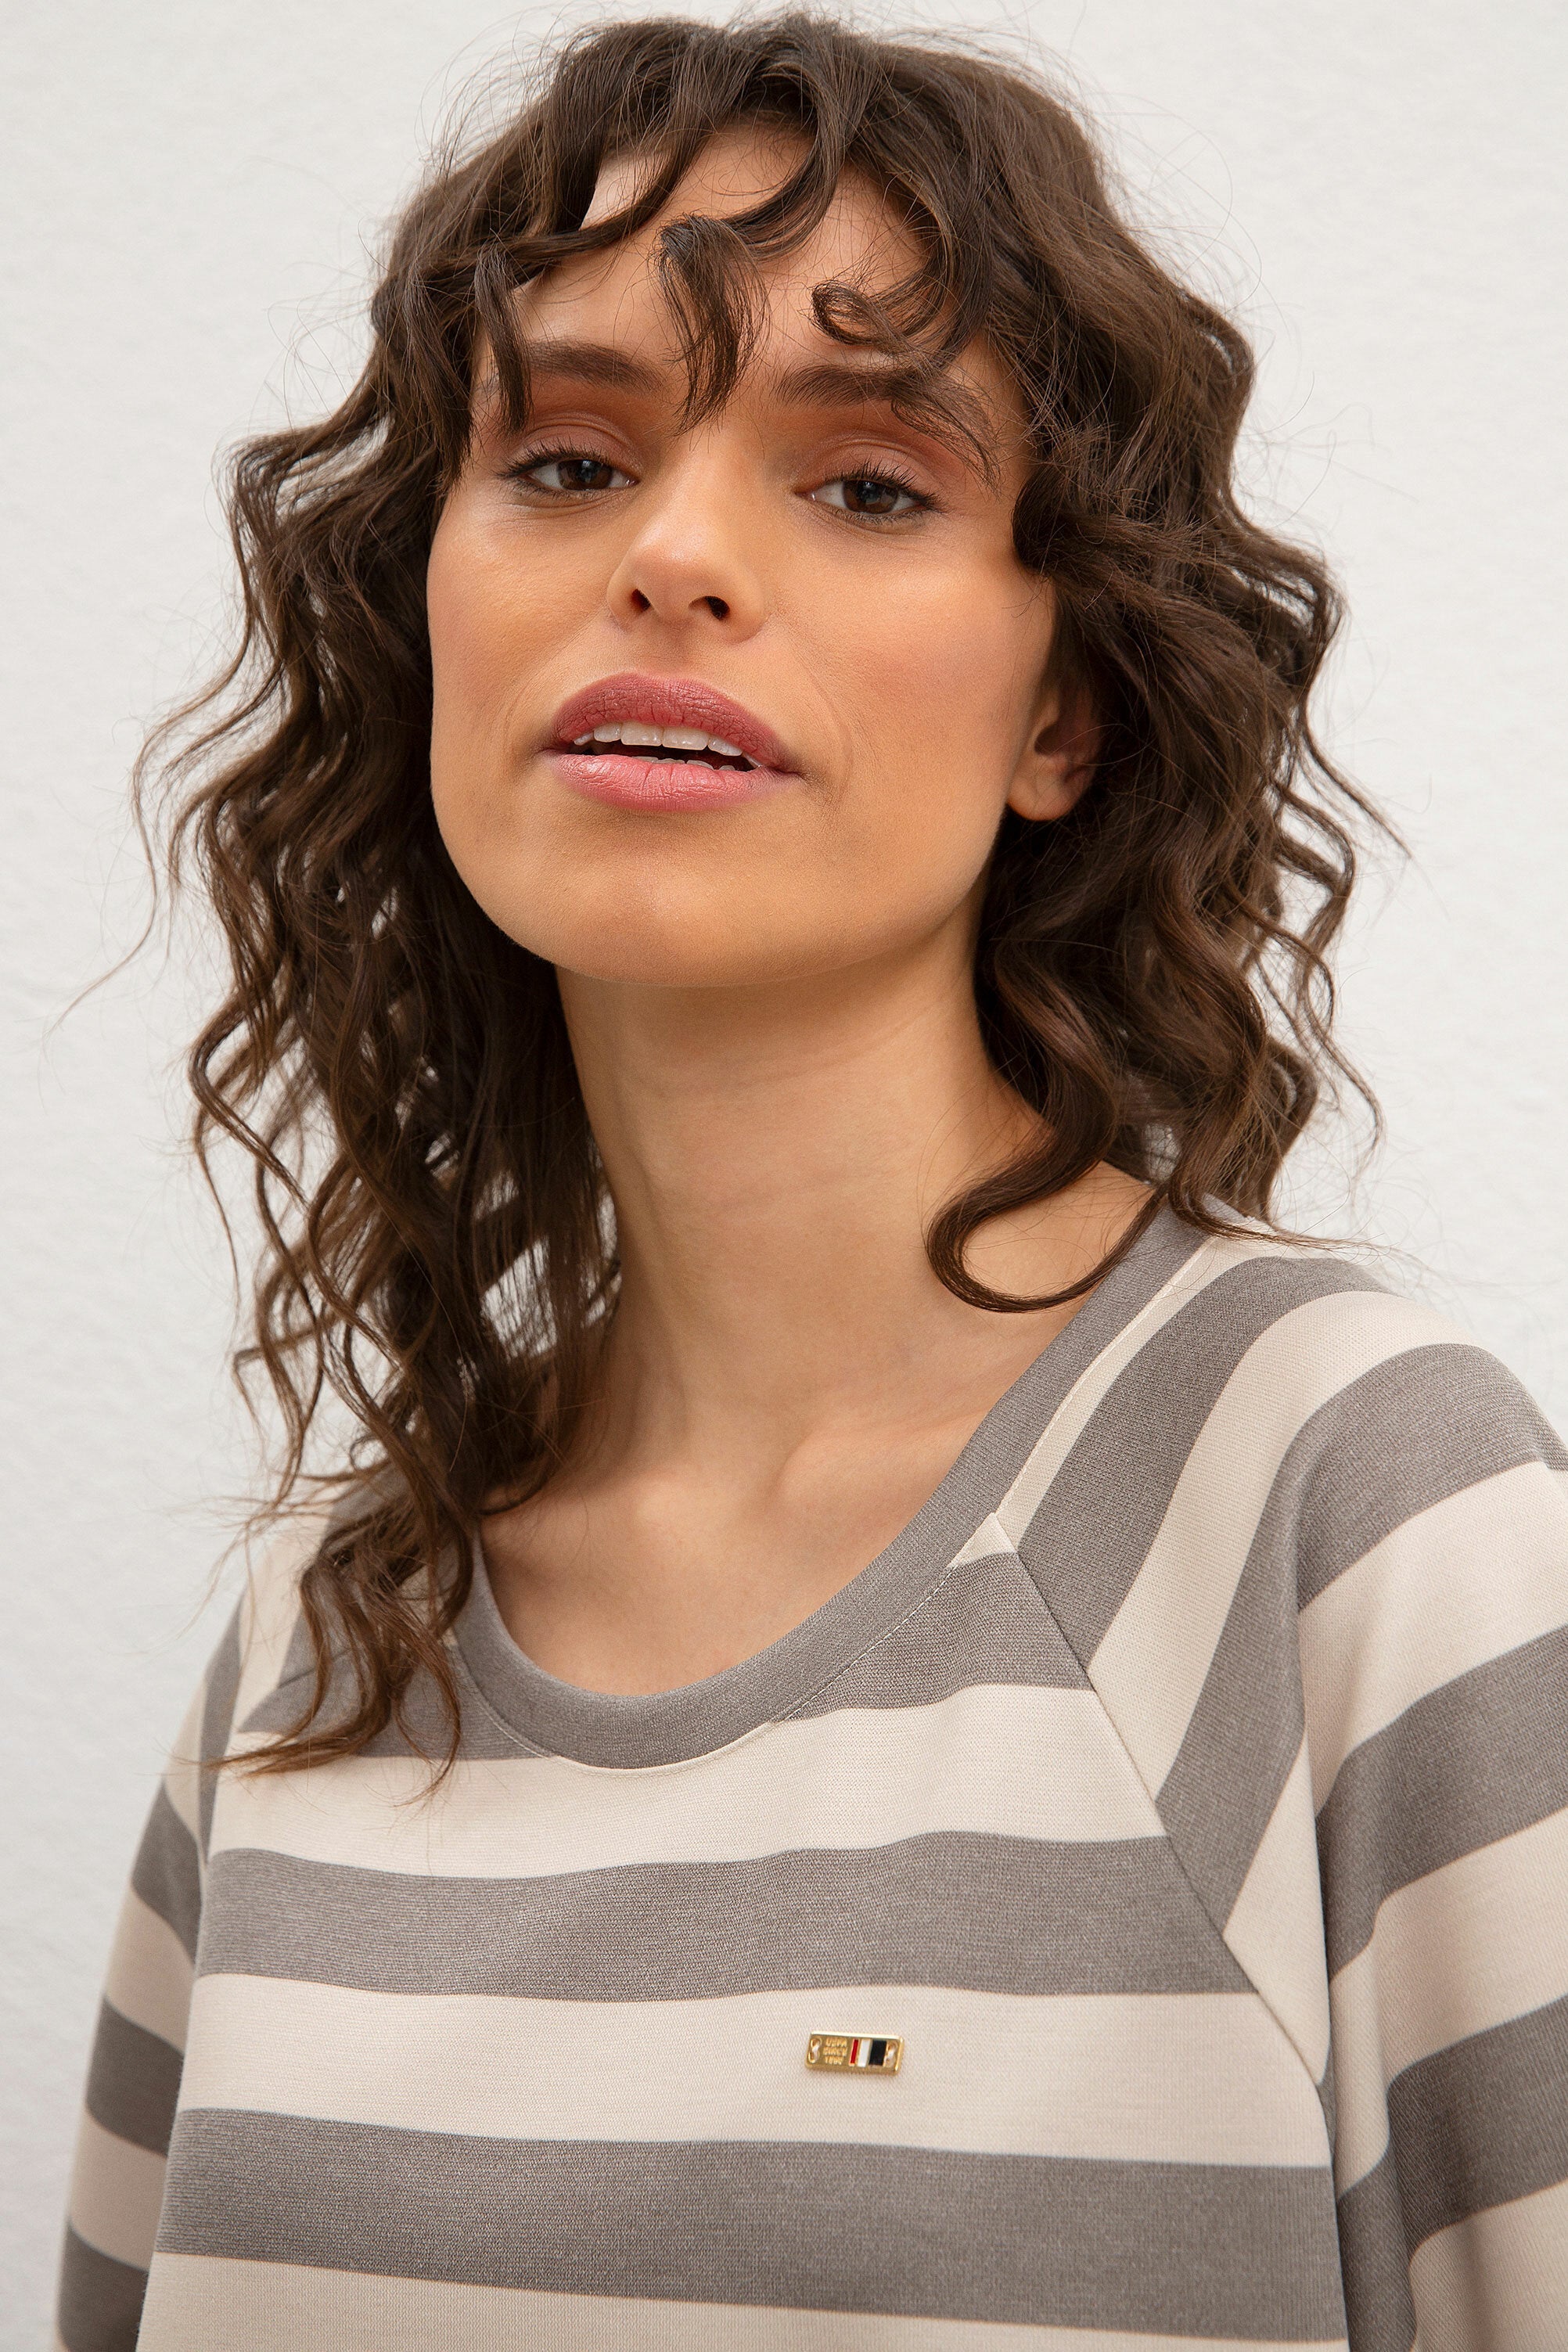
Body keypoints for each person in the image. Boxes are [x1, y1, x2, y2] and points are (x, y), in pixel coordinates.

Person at [56, 15, 1568, 2350]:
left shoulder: (1350, 1516)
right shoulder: (322, 1640)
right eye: (566, 459)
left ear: (1064, 710)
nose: (669, 556)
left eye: (867, 484)